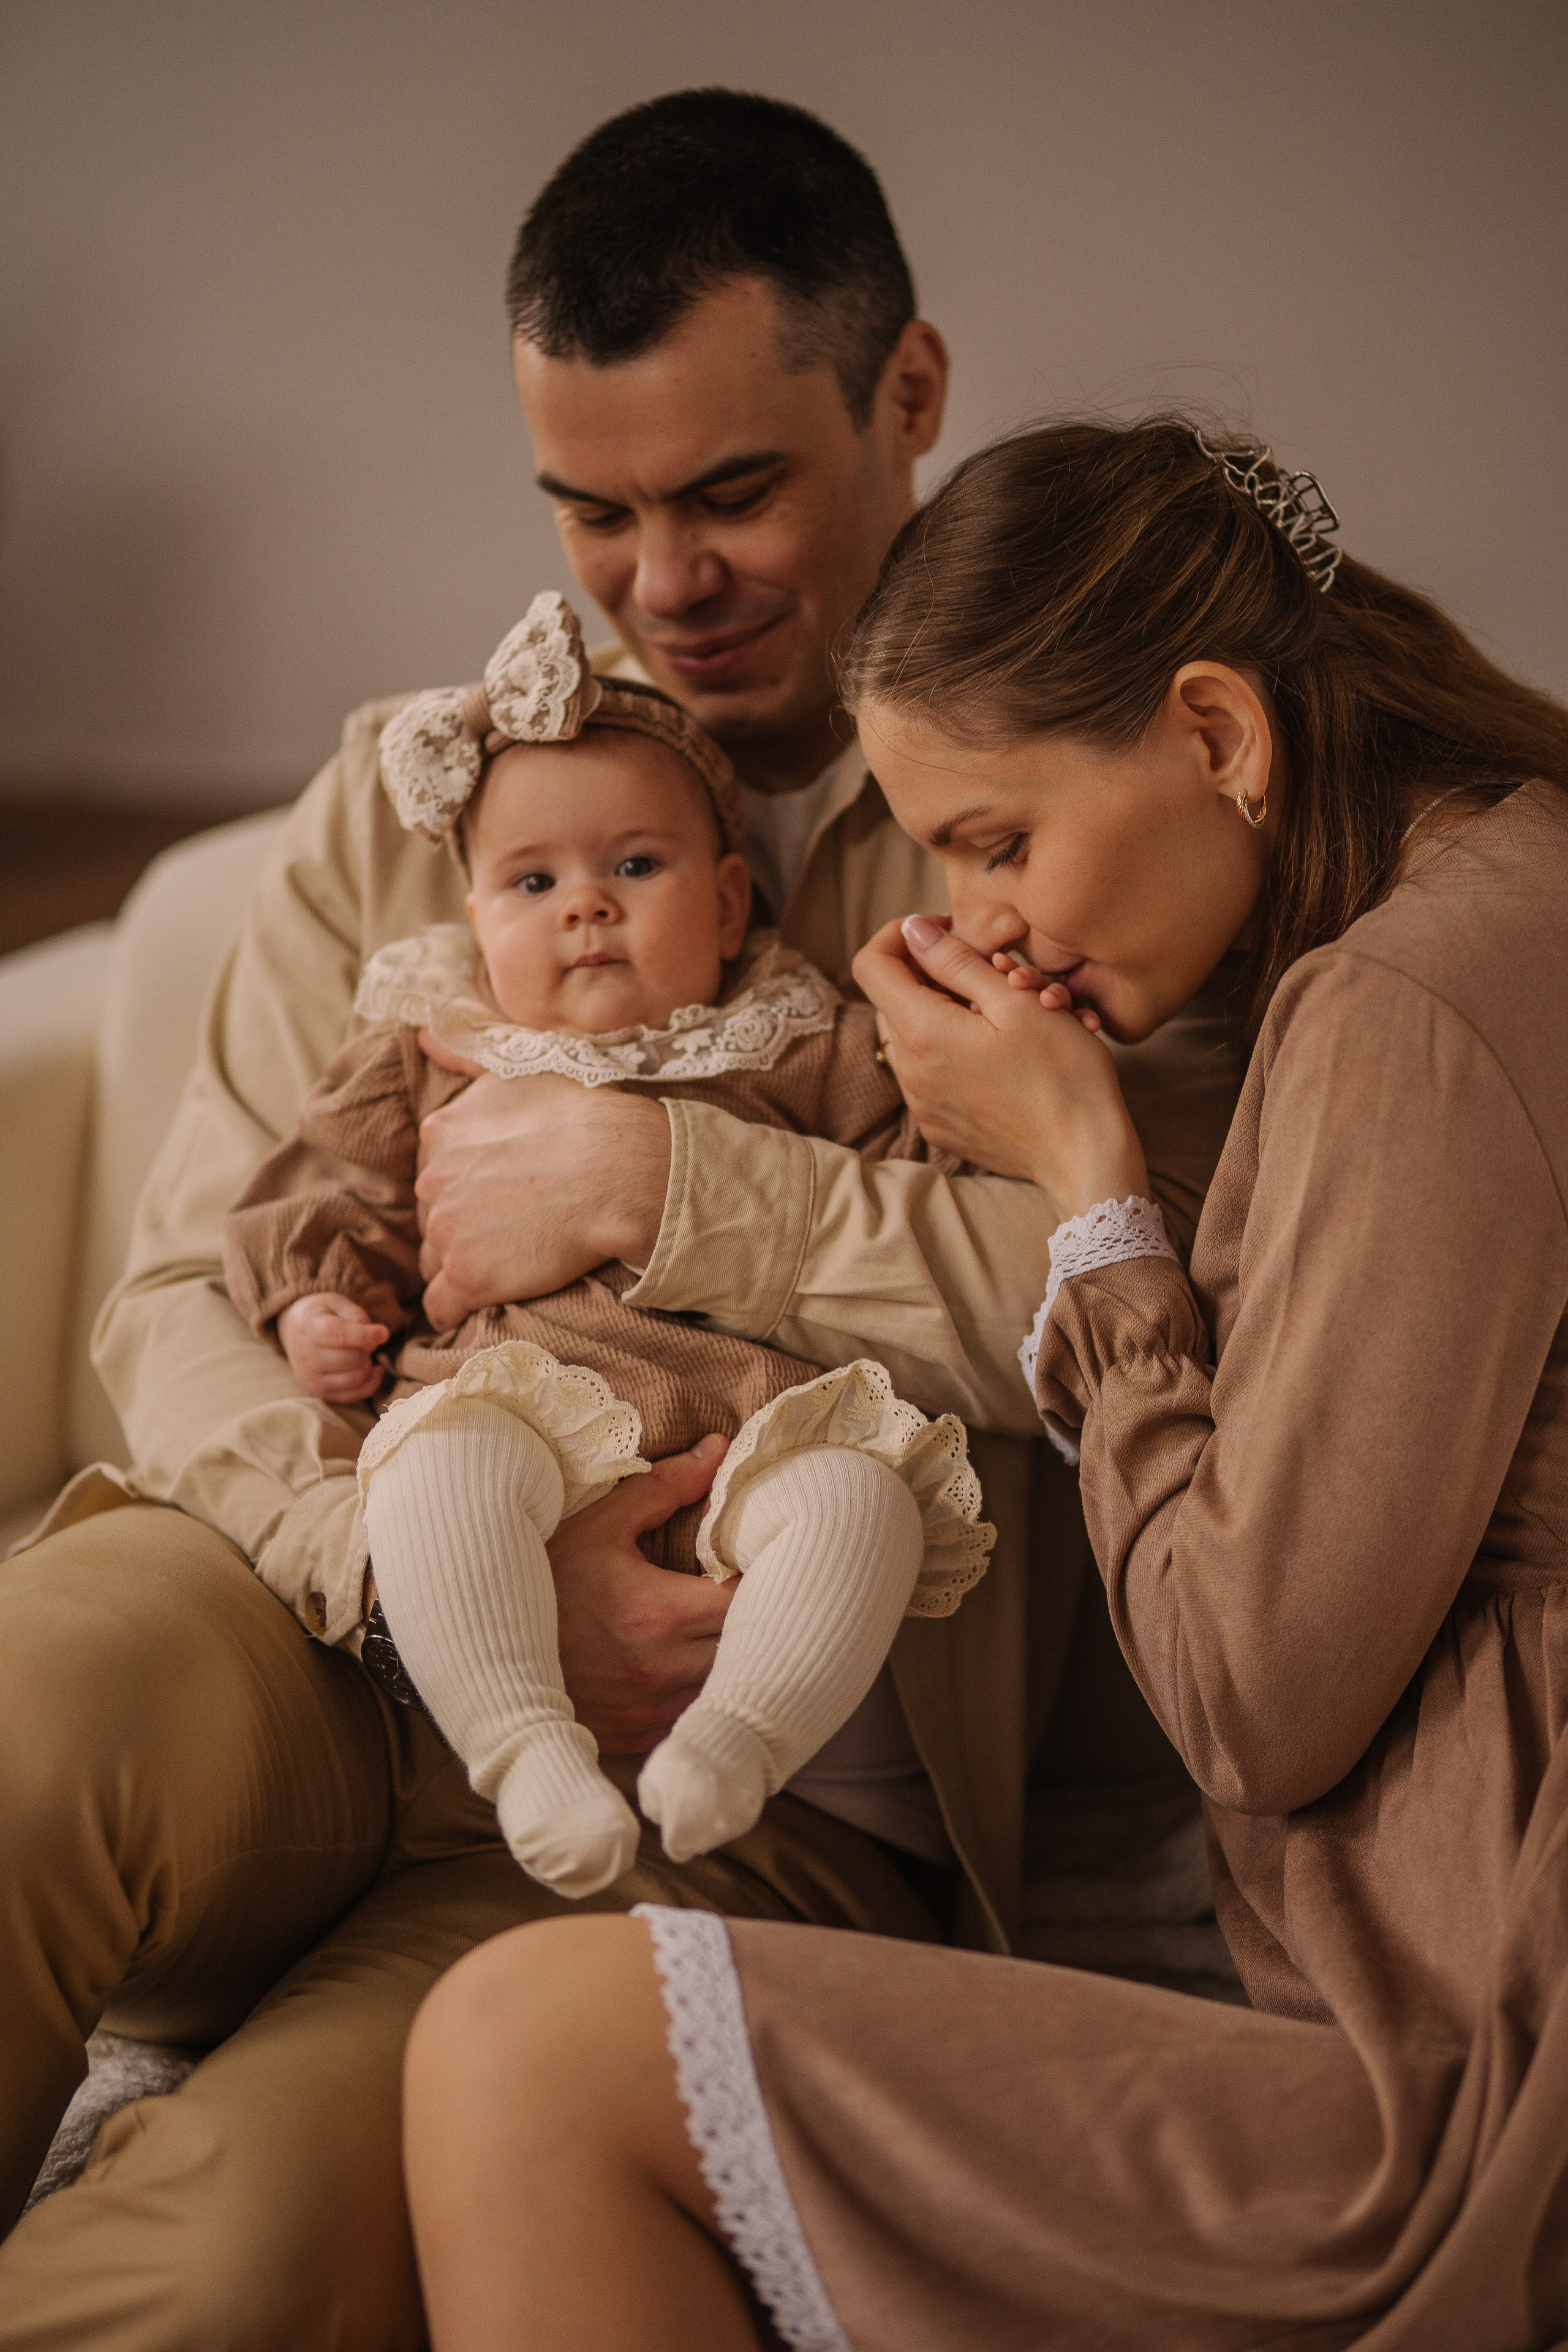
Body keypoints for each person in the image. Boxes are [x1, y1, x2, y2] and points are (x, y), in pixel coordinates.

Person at [0, 95, 1234, 2343]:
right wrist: (405, 1562)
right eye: (595, 508)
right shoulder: (407, 805)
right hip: (308, 1631)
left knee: (227, 2267)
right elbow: (187, 1290)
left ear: (910, 397)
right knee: (19, 1735)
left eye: (732, 491)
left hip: (737, 1763)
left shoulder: (1053, 822)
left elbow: (1139, 1289)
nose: (662, 578)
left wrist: (681, 1189)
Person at [400, 415, 1568, 2352]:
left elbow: (1253, 1704)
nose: (982, 925)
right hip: (1465, 1980)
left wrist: (1091, 1192)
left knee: (528, 2053)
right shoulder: (1501, 885)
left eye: (999, 840)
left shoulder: (1405, 1007)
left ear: (1218, 734)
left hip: (1477, 2053)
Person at [224, 592, 990, 1894]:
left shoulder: (795, 1037)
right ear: (476, 920)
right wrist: (314, 1306)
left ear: (728, 893)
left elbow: (927, 1175)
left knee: (861, 1499)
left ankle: (736, 1743)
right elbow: (317, 1197)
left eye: (634, 867)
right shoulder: (427, 1052)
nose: (585, 908)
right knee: (433, 1471)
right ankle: (523, 1745)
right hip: (516, 1404)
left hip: (741, 1419)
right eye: (533, 883)